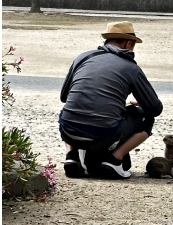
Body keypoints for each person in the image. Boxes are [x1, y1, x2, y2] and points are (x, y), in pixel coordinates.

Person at [59, 21, 163, 180]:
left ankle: (71, 156)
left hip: (68, 132)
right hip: (103, 135)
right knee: (146, 117)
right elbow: (155, 109)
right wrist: (137, 104)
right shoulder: (131, 68)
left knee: (70, 110)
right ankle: (114, 160)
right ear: (129, 44)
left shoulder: (82, 58)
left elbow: (64, 97)